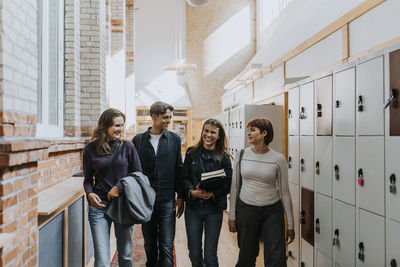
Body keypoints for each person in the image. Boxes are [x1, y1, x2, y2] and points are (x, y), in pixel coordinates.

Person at [228, 118, 295, 267]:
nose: (248, 133)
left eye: (253, 130)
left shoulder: (278, 159)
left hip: (272, 211)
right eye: (248, 130)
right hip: (246, 209)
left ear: (264, 133)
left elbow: (284, 192)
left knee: (276, 258)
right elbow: (235, 186)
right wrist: (232, 215)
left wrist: (290, 224)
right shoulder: (241, 154)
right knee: (246, 255)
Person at [83, 108, 142, 267]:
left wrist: (120, 187)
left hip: (122, 205)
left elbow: (138, 175)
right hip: (98, 207)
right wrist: (89, 193)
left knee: (125, 256)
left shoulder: (128, 147)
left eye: (122, 125)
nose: (120, 129)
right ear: (105, 126)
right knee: (102, 260)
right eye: (117, 125)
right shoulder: (90, 149)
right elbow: (88, 179)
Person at [132, 101, 184, 267]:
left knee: (167, 244)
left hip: (166, 199)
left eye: (170, 117)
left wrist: (181, 196)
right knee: (149, 243)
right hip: (145, 200)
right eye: (165, 117)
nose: (169, 121)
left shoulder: (174, 139)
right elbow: (134, 170)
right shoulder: (138, 140)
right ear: (154, 117)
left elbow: (179, 169)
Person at [182, 118, 233, 267]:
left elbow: (229, 183)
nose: (208, 135)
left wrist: (212, 194)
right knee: (194, 253)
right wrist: (191, 192)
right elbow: (184, 178)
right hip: (193, 208)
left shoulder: (223, 157)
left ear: (219, 136)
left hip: (214, 209)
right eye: (206, 130)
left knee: (210, 254)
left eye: (213, 132)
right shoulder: (192, 152)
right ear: (202, 131)